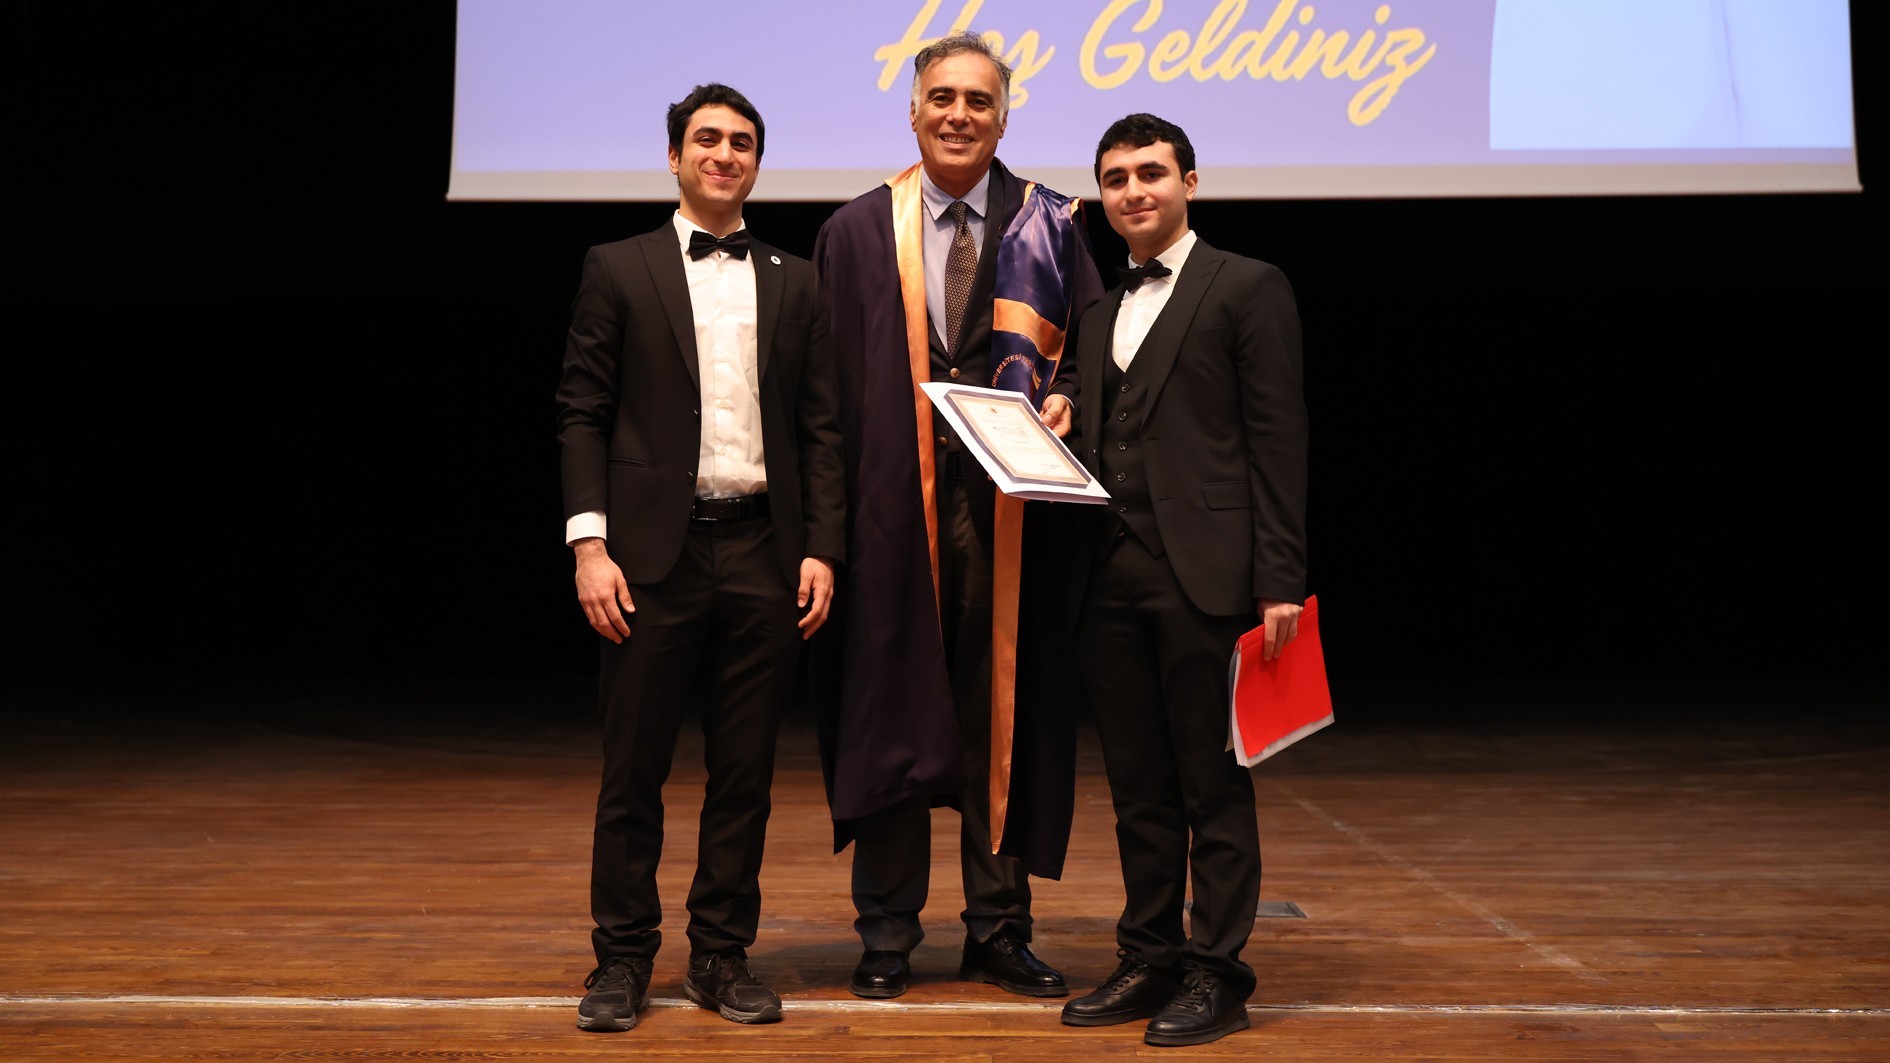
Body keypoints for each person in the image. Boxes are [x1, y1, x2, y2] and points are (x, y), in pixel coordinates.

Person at [807, 31, 1104, 1001]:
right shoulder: (856, 231)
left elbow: (1092, 352)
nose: (959, 114)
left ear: (1003, 119)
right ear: (913, 112)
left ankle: (998, 930)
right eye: (942, 97)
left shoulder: (1050, 225)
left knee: (1000, 713)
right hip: (893, 516)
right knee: (891, 707)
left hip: (1012, 519)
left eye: (979, 100)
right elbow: (820, 396)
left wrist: (1072, 401)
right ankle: (888, 930)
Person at [554, 82, 845, 1033]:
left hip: (765, 549)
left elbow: (821, 428)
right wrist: (590, 544)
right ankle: (622, 957)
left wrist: (823, 547)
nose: (725, 154)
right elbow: (582, 411)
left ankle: (721, 953)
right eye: (708, 139)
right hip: (648, 556)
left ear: (758, 162)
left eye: (742, 142)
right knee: (632, 769)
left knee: (745, 773)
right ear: (675, 156)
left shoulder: (798, 279)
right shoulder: (617, 266)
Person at [1043, 113, 1308, 1047]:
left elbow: (1278, 439)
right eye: (1115, 178)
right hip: (1110, 578)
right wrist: (1056, 412)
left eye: (1150, 173)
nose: (1133, 191)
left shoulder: (1248, 285)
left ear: (1189, 182)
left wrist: (1280, 576)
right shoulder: (1099, 312)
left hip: (1210, 575)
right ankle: (1149, 953)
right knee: (1139, 787)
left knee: (1213, 784)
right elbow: (1093, 424)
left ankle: (1218, 972)